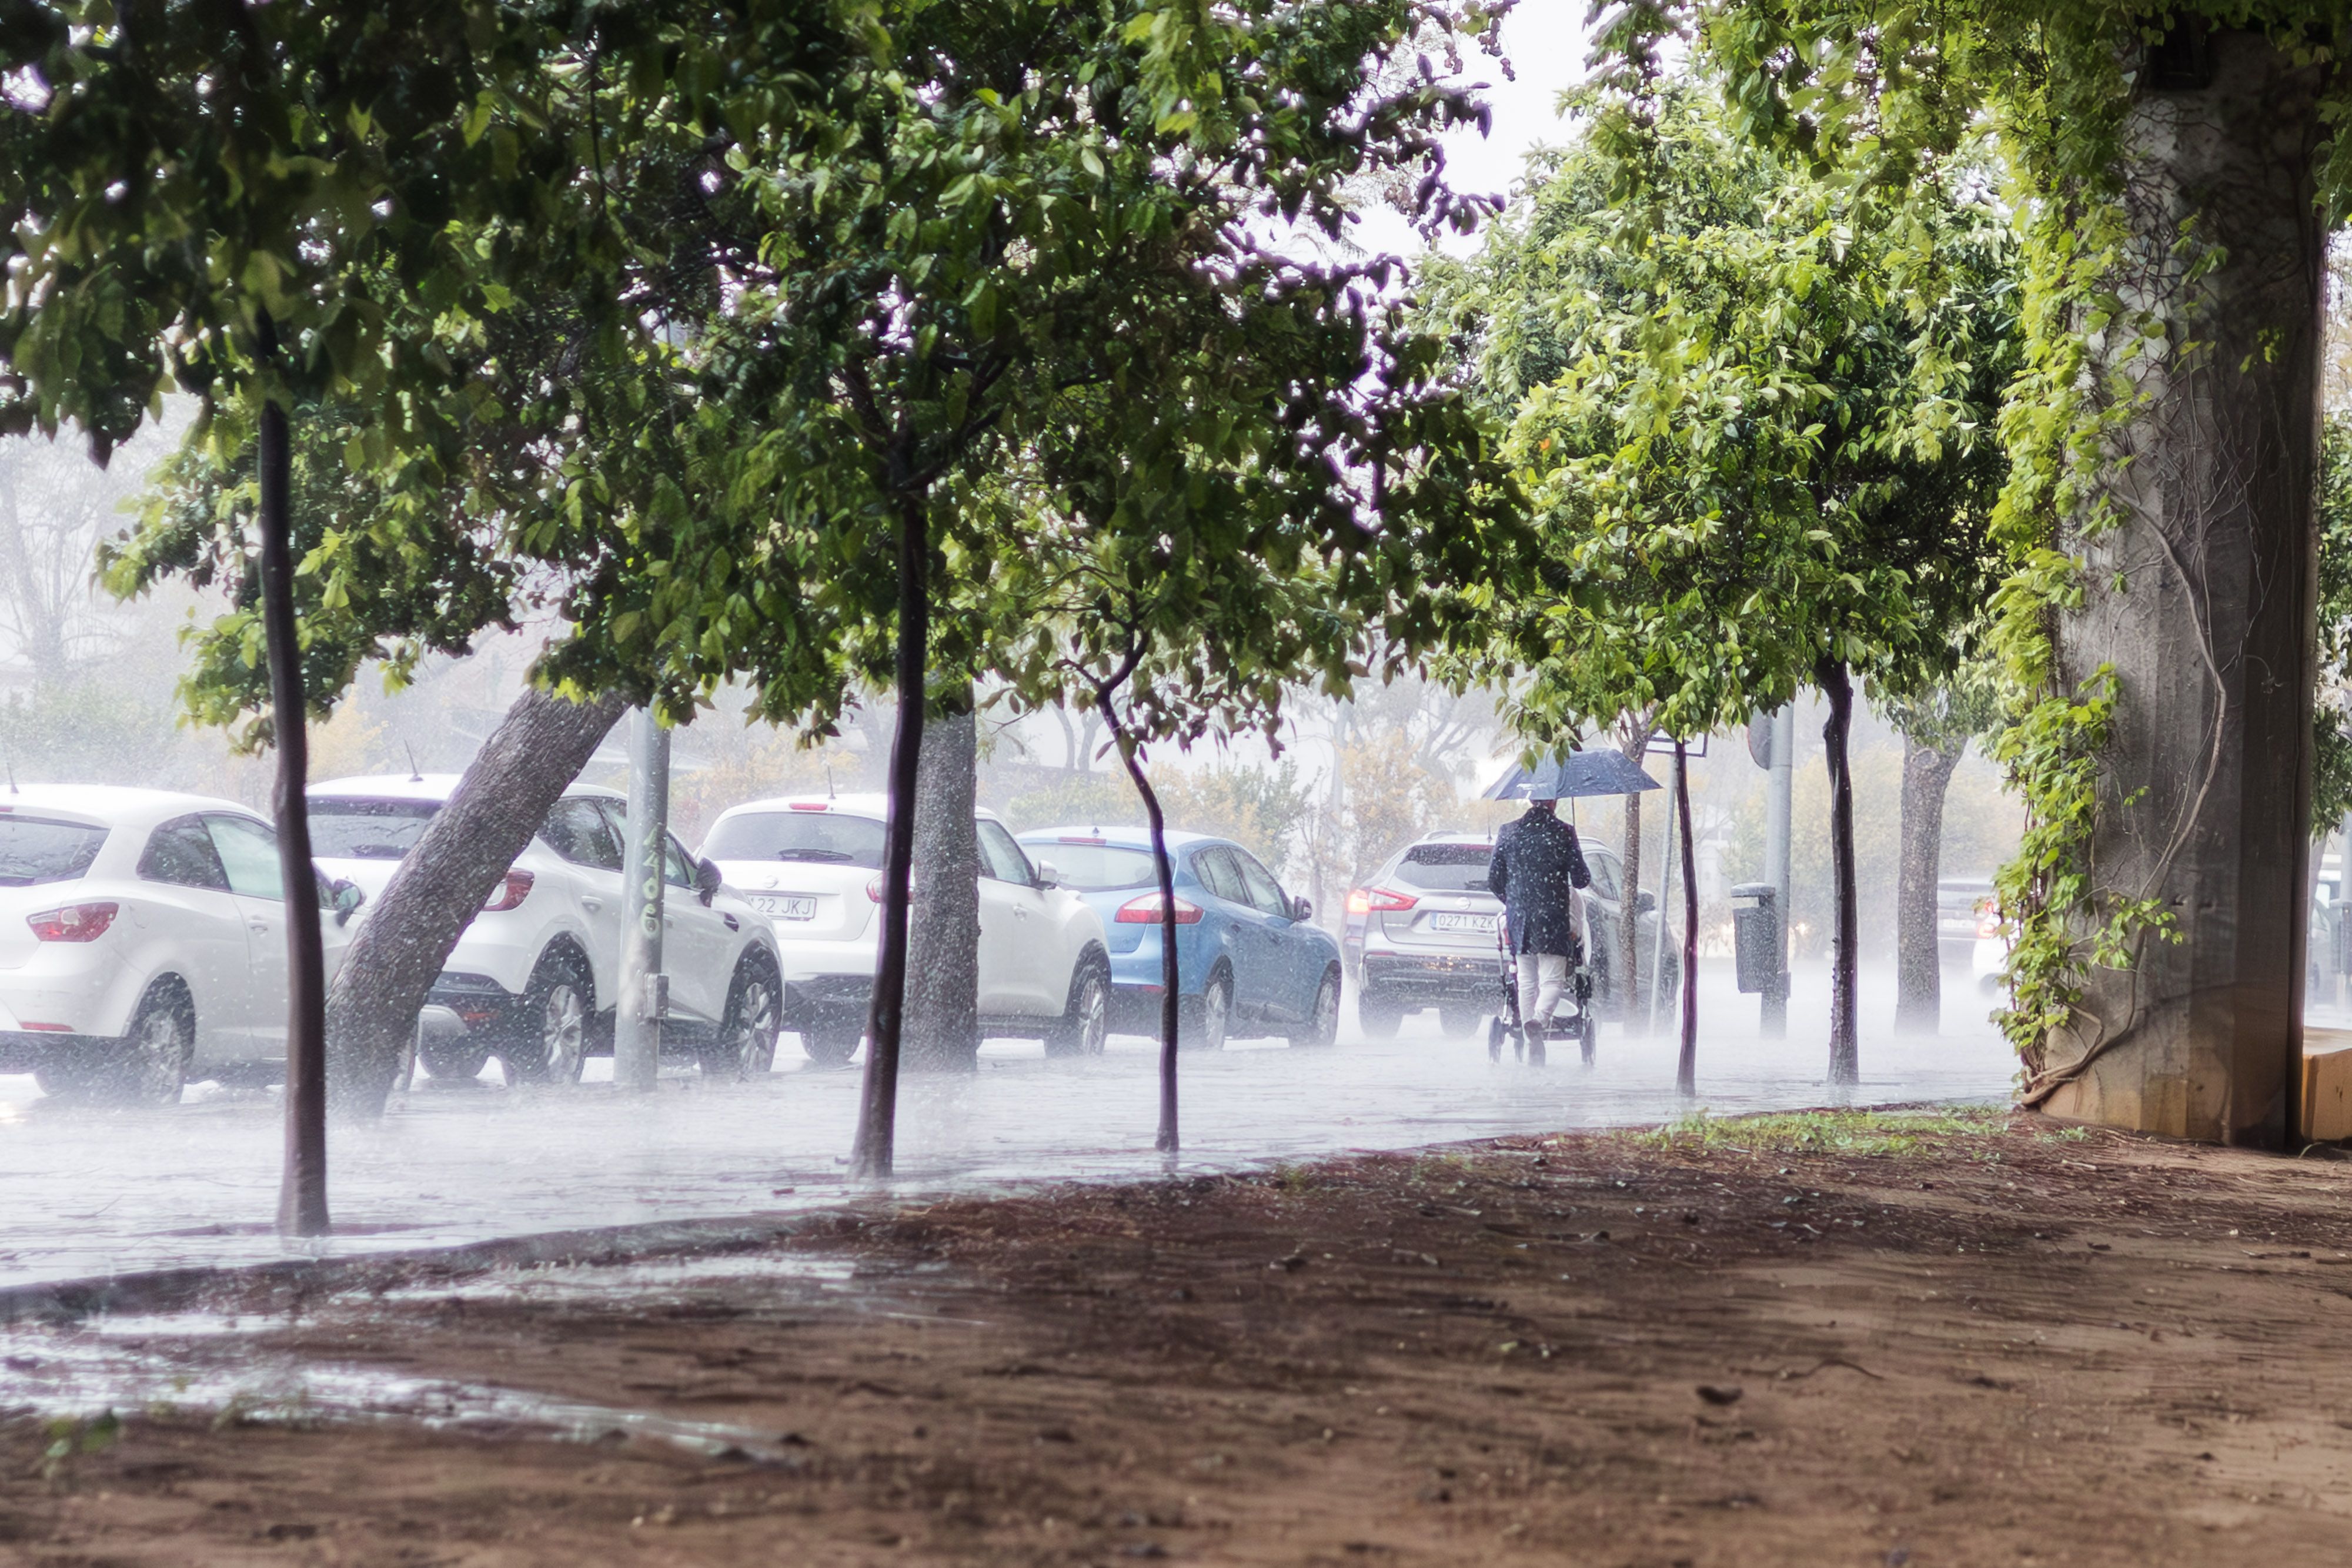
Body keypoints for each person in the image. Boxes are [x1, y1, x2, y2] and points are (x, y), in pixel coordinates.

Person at [1486, 794, 1591, 1061]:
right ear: (1554, 801)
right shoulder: (1564, 832)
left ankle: (1529, 1034)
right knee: (1553, 980)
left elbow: (1494, 880)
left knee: (1526, 979)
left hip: (1519, 918)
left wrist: (1514, 902)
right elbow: (1581, 879)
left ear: (1530, 799)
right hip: (1552, 917)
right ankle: (1539, 1022)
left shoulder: (1508, 831)